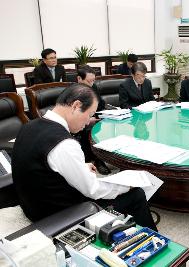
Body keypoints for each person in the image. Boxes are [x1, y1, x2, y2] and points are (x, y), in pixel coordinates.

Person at [11, 83, 157, 231]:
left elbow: (43, 166)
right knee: (135, 194)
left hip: (34, 205)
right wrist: (128, 185)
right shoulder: (64, 144)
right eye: (89, 114)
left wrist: (80, 167)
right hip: (58, 214)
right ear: (76, 106)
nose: (88, 121)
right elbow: (94, 190)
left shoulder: (29, 126)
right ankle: (153, 241)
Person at [76, 65, 111, 175]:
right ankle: (98, 160)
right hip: (78, 121)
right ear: (79, 79)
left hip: (94, 117)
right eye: (89, 81)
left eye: (93, 81)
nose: (91, 84)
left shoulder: (93, 87)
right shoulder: (72, 91)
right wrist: (86, 117)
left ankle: (109, 156)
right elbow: (72, 113)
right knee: (90, 129)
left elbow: (101, 104)